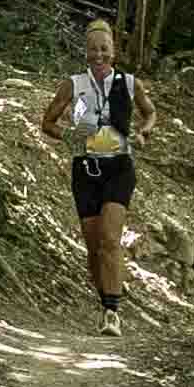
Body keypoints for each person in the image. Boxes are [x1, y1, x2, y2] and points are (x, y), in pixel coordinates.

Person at [38, 16, 146, 314]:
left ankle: (112, 312)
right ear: (85, 52)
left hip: (119, 167)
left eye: (104, 49)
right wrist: (69, 136)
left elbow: (150, 113)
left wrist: (144, 131)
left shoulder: (130, 83)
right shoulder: (73, 85)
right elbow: (47, 122)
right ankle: (105, 298)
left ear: (114, 51)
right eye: (93, 49)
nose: (99, 55)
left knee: (110, 238)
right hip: (85, 170)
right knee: (95, 246)